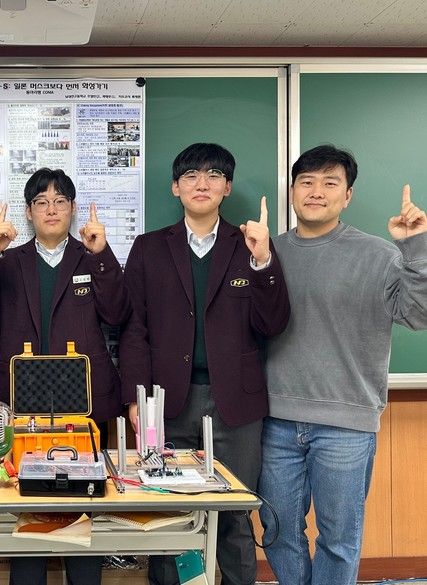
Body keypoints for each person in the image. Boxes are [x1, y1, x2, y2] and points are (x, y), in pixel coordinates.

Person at [119, 143, 290, 585]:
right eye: (191, 175)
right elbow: (133, 328)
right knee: (169, 514)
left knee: (234, 514)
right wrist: (137, 398)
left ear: (227, 187)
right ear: (175, 187)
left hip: (236, 404)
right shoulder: (148, 248)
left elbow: (272, 324)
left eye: (214, 175)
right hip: (166, 403)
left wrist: (263, 262)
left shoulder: (251, 245)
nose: (202, 183)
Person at [258, 144, 427, 585]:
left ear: (347, 195)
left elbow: (418, 315)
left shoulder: (379, 255)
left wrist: (415, 247)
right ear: (292, 191)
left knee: (338, 539)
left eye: (330, 183)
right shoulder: (266, 254)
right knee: (277, 532)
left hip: (346, 424)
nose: (316, 191)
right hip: (274, 421)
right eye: (307, 182)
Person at [0, 167, 130, 585]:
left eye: (60, 201)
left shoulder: (91, 255)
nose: (51, 209)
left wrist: (101, 255)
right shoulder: (9, 261)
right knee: (27, 506)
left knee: (85, 505)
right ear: (28, 211)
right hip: (23, 403)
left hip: (85, 405)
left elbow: (118, 314)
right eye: (41, 202)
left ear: (73, 209)